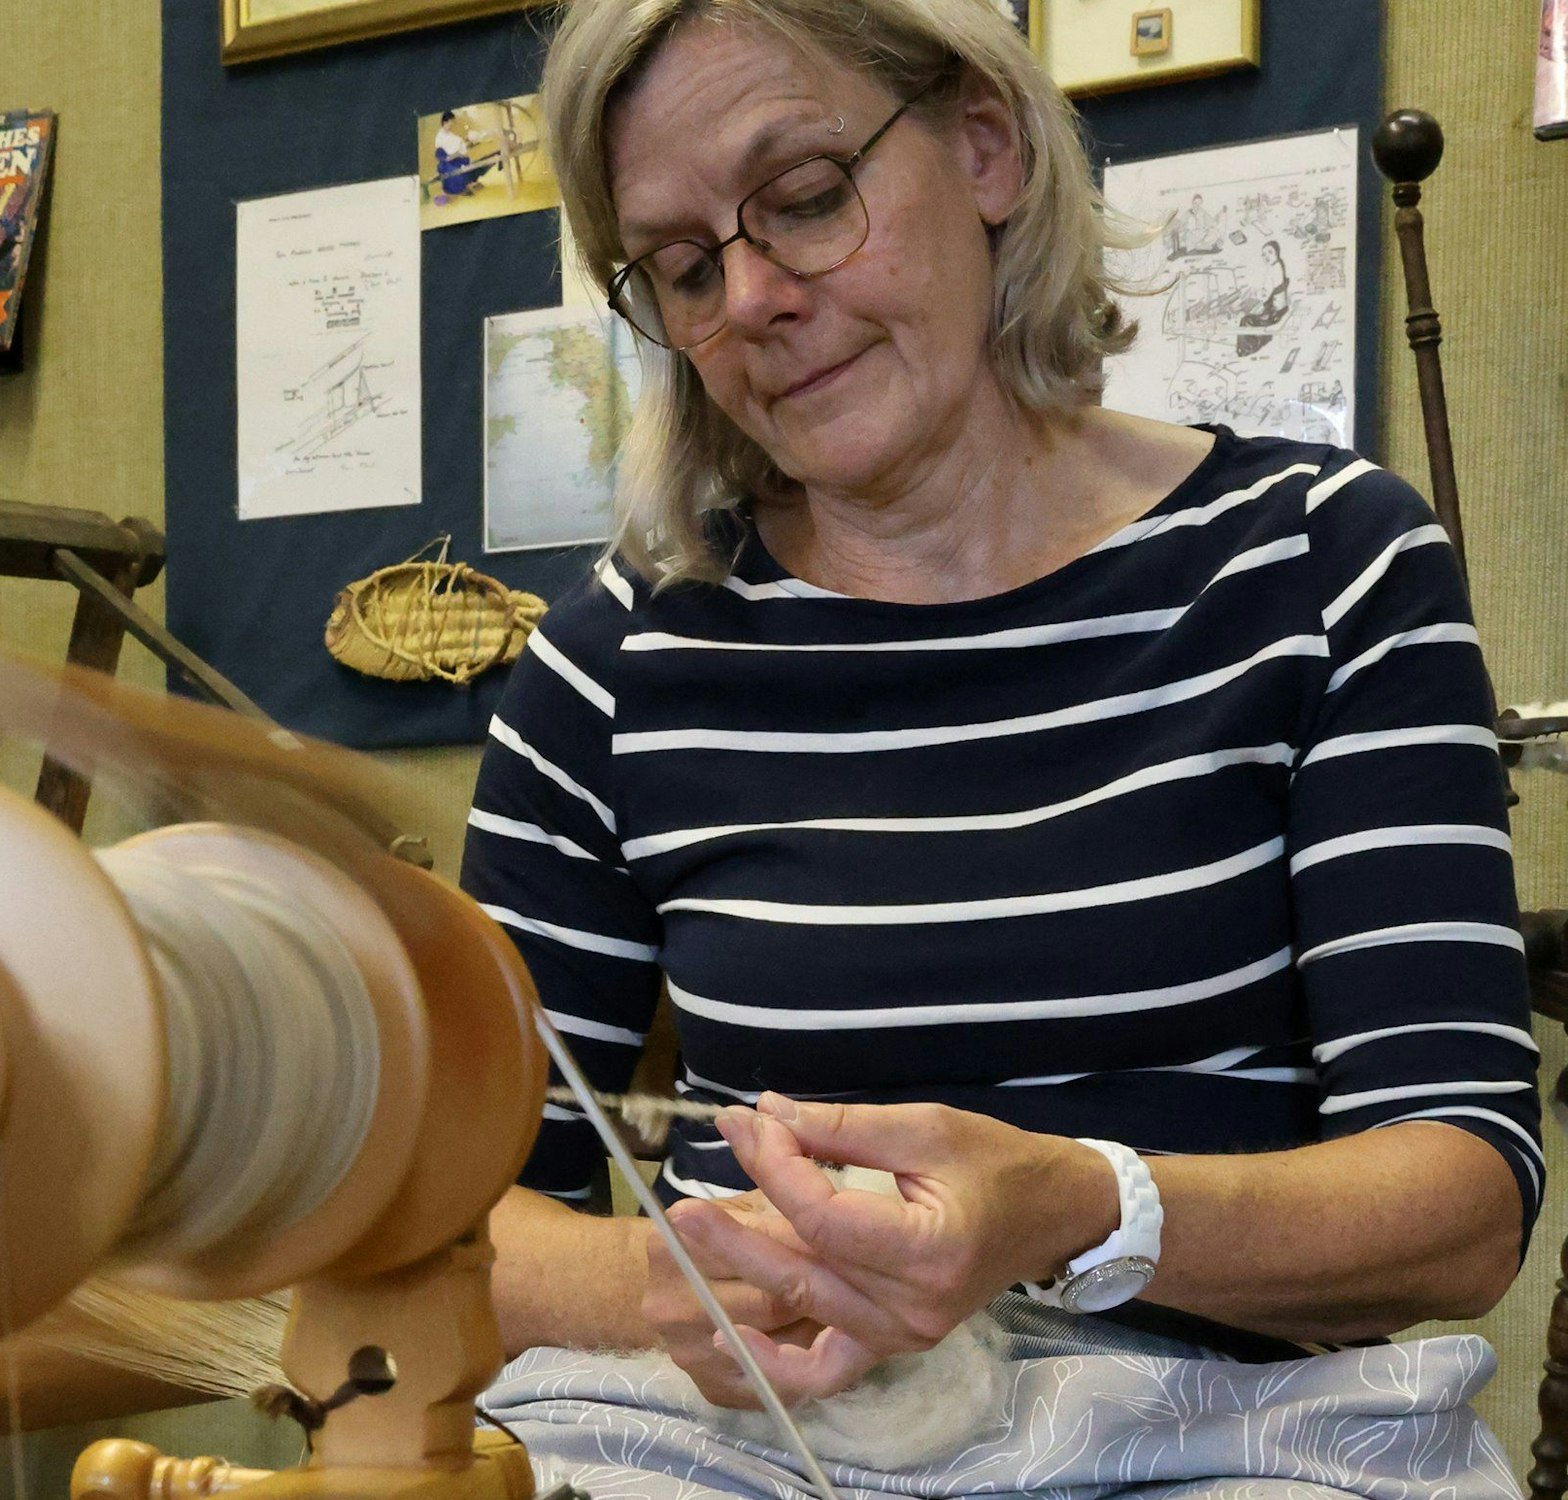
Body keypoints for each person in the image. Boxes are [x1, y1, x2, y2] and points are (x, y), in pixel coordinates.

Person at [459, 0, 1541, 1496]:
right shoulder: (617, 664)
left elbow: (1463, 1204)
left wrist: (1078, 1211)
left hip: (1226, 1444)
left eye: (808, 196)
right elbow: (457, 1215)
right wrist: (691, 1283)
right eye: (688, 267)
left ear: (984, 145)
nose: (756, 296)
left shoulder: (1320, 570)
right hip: (749, 1447)